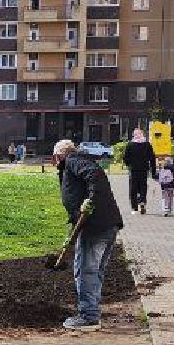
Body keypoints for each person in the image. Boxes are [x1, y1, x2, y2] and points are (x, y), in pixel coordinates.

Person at [53, 138, 124, 332]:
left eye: (55, 157)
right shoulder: (77, 161)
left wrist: (91, 201)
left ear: (58, 155)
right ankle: (92, 311)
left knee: (85, 270)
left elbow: (94, 175)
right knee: (95, 271)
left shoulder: (73, 161)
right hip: (106, 224)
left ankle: (88, 316)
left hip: (96, 226)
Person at [122, 128, 156, 215]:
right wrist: (153, 171)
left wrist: (129, 164)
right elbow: (152, 158)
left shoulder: (130, 145)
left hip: (133, 169)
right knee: (143, 187)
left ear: (134, 135)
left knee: (133, 188)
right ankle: (142, 201)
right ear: (142, 135)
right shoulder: (147, 145)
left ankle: (134, 208)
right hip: (144, 169)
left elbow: (125, 157)